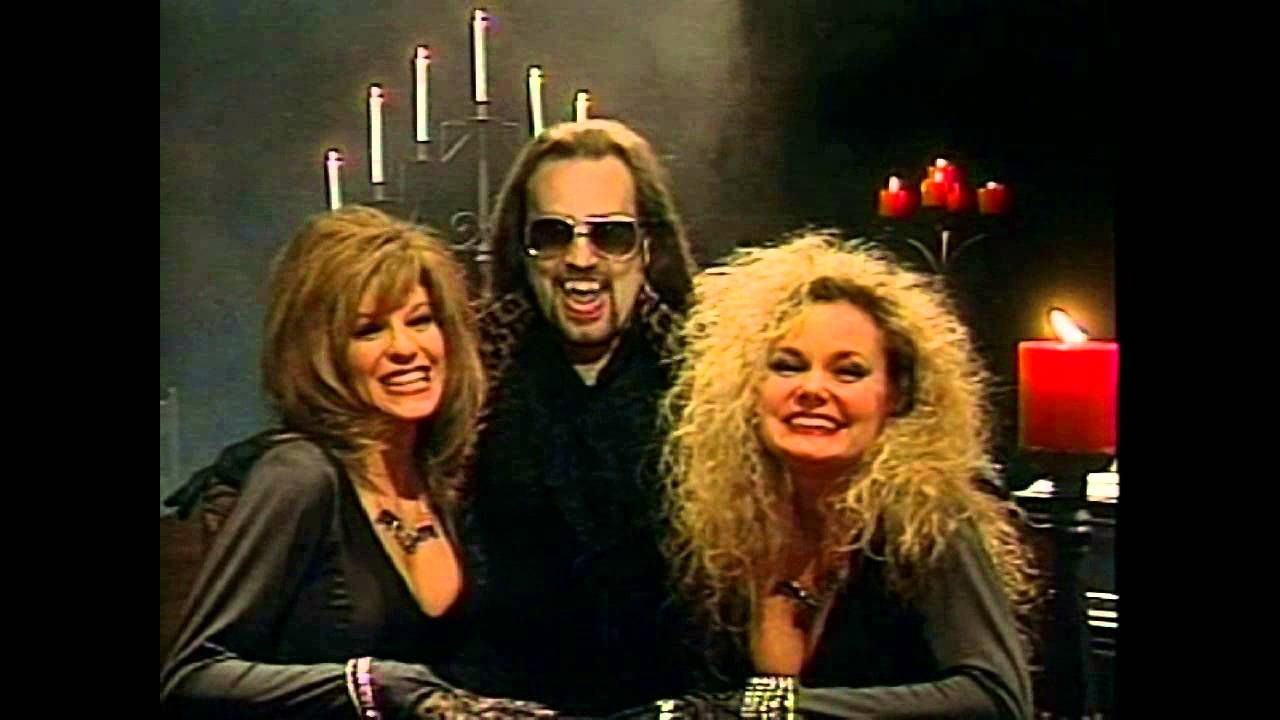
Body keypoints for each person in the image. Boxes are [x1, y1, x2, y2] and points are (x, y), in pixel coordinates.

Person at [160, 206, 551, 719]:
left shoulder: (436, 482)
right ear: (321, 352)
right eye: (369, 330)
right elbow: (191, 674)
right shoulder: (299, 476)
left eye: (420, 320)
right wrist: (367, 685)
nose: (405, 348)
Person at [655, 231, 1039, 719]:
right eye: (788, 367)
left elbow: (997, 698)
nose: (813, 389)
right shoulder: (726, 528)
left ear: (896, 395)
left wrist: (770, 708)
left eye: (849, 372)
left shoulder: (929, 521)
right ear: (748, 389)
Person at [436, 119, 701, 716]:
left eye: (611, 236)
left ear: (648, 248)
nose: (580, 259)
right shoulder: (466, 377)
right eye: (552, 234)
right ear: (521, 249)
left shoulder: (709, 384)